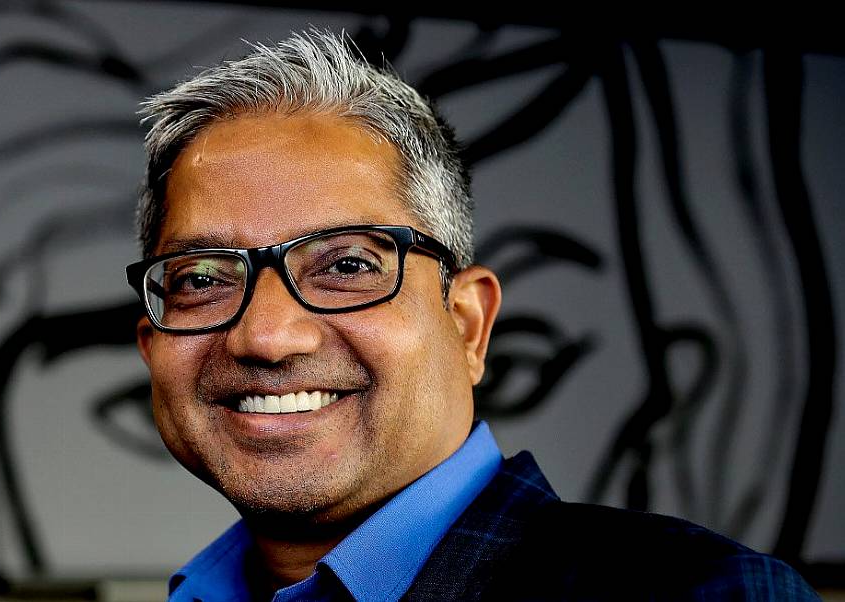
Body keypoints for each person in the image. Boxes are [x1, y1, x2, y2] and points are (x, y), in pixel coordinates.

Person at [126, 29, 819, 601]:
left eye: (347, 266)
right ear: (151, 345)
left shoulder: (710, 594)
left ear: (467, 325)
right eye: (203, 277)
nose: (267, 335)